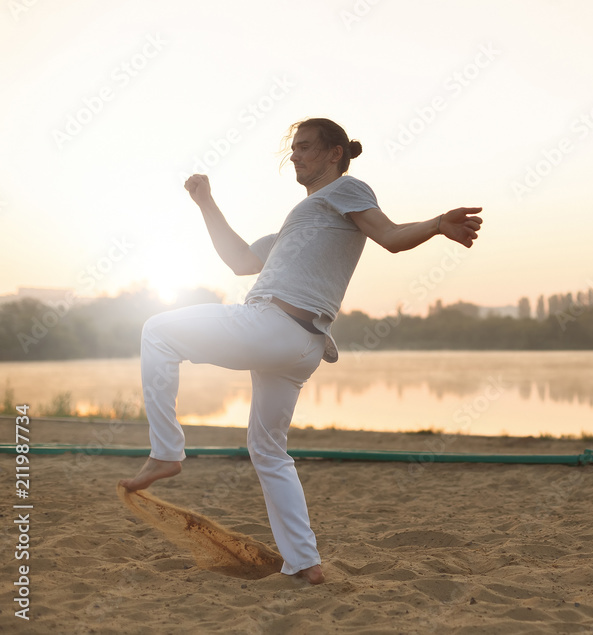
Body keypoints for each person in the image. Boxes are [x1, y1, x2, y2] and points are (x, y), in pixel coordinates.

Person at [119, 117, 483, 584]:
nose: (295, 155)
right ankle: (305, 565)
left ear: (335, 153)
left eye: (306, 147)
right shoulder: (302, 221)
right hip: (300, 345)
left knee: (157, 330)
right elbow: (239, 261)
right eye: (293, 149)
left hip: (273, 325)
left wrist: (435, 225)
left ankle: (167, 451)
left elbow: (390, 236)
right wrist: (206, 202)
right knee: (268, 451)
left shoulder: (346, 189)